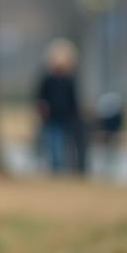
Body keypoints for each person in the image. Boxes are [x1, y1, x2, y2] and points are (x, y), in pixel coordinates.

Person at [33, 39, 84, 175]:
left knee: (61, 145)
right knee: (53, 144)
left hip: (65, 118)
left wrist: (75, 115)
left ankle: (59, 169)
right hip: (50, 119)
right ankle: (56, 168)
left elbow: (73, 100)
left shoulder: (69, 80)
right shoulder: (47, 80)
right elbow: (40, 98)